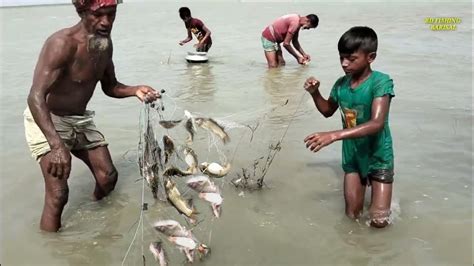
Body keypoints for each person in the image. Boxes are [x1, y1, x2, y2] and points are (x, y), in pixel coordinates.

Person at [24, 0, 160, 232]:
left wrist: (135, 90)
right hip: (48, 118)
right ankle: (51, 245)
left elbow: (111, 87)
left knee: (108, 177)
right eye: (98, 15)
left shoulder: (104, 45)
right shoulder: (61, 44)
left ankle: (98, 224)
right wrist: (57, 146)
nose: (106, 22)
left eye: (112, 14)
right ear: (83, 11)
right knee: (58, 194)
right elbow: (35, 97)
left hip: (79, 118)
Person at [303, 26, 395, 228]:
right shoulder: (341, 85)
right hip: (353, 156)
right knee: (352, 217)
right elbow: (328, 110)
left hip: (378, 155)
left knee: (379, 221)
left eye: (351, 59)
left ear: (370, 57)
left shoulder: (381, 82)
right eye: (341, 58)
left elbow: (377, 123)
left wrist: (334, 135)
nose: (344, 64)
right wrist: (315, 93)